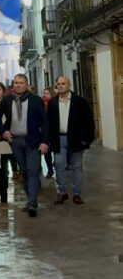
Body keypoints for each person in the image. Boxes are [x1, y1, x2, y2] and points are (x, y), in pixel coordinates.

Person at [0, 73, 48, 218]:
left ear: (26, 85)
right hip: (15, 141)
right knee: (24, 171)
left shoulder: (35, 100)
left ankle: (33, 204)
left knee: (33, 170)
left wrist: (44, 141)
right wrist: (3, 131)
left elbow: (45, 122)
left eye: (21, 83)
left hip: (32, 141)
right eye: (16, 83)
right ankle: (30, 198)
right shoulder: (7, 100)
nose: (18, 85)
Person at [48, 76, 95, 206]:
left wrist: (87, 140)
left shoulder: (79, 102)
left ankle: (76, 194)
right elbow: (49, 123)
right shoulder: (52, 103)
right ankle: (62, 192)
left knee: (77, 166)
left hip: (76, 139)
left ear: (69, 85)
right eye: (58, 84)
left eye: (63, 83)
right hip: (59, 138)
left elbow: (89, 122)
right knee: (59, 165)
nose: (61, 86)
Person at [41, 88, 54, 177]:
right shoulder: (41, 105)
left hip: (54, 131)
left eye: (47, 93)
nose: (45, 95)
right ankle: (50, 169)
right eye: (44, 93)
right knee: (47, 152)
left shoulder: (55, 104)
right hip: (45, 131)